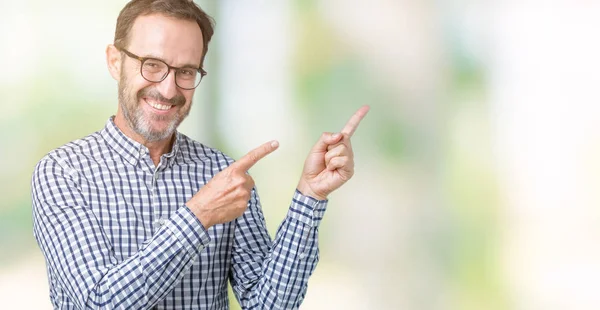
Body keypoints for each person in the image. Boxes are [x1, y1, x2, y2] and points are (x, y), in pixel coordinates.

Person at [31, 0, 369, 309]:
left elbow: (269, 305)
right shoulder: (62, 173)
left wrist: (309, 196)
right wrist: (199, 214)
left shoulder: (223, 174)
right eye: (152, 65)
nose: (168, 89)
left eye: (186, 72)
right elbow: (100, 302)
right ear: (115, 61)